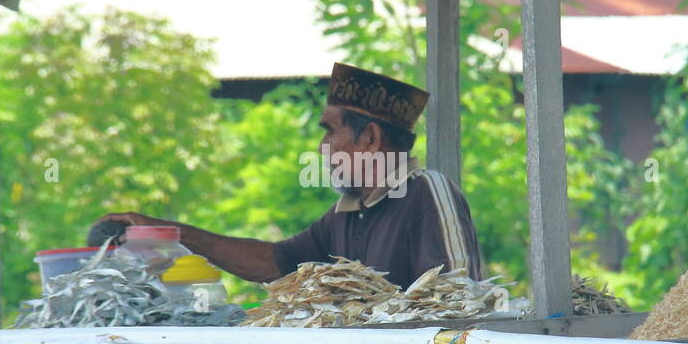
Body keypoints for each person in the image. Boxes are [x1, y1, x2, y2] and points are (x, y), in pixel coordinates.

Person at [95, 63, 483, 289]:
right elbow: (274, 262)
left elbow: (458, 302)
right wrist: (168, 234)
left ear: (370, 138)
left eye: (329, 131)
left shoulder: (427, 191)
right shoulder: (344, 214)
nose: (321, 148)